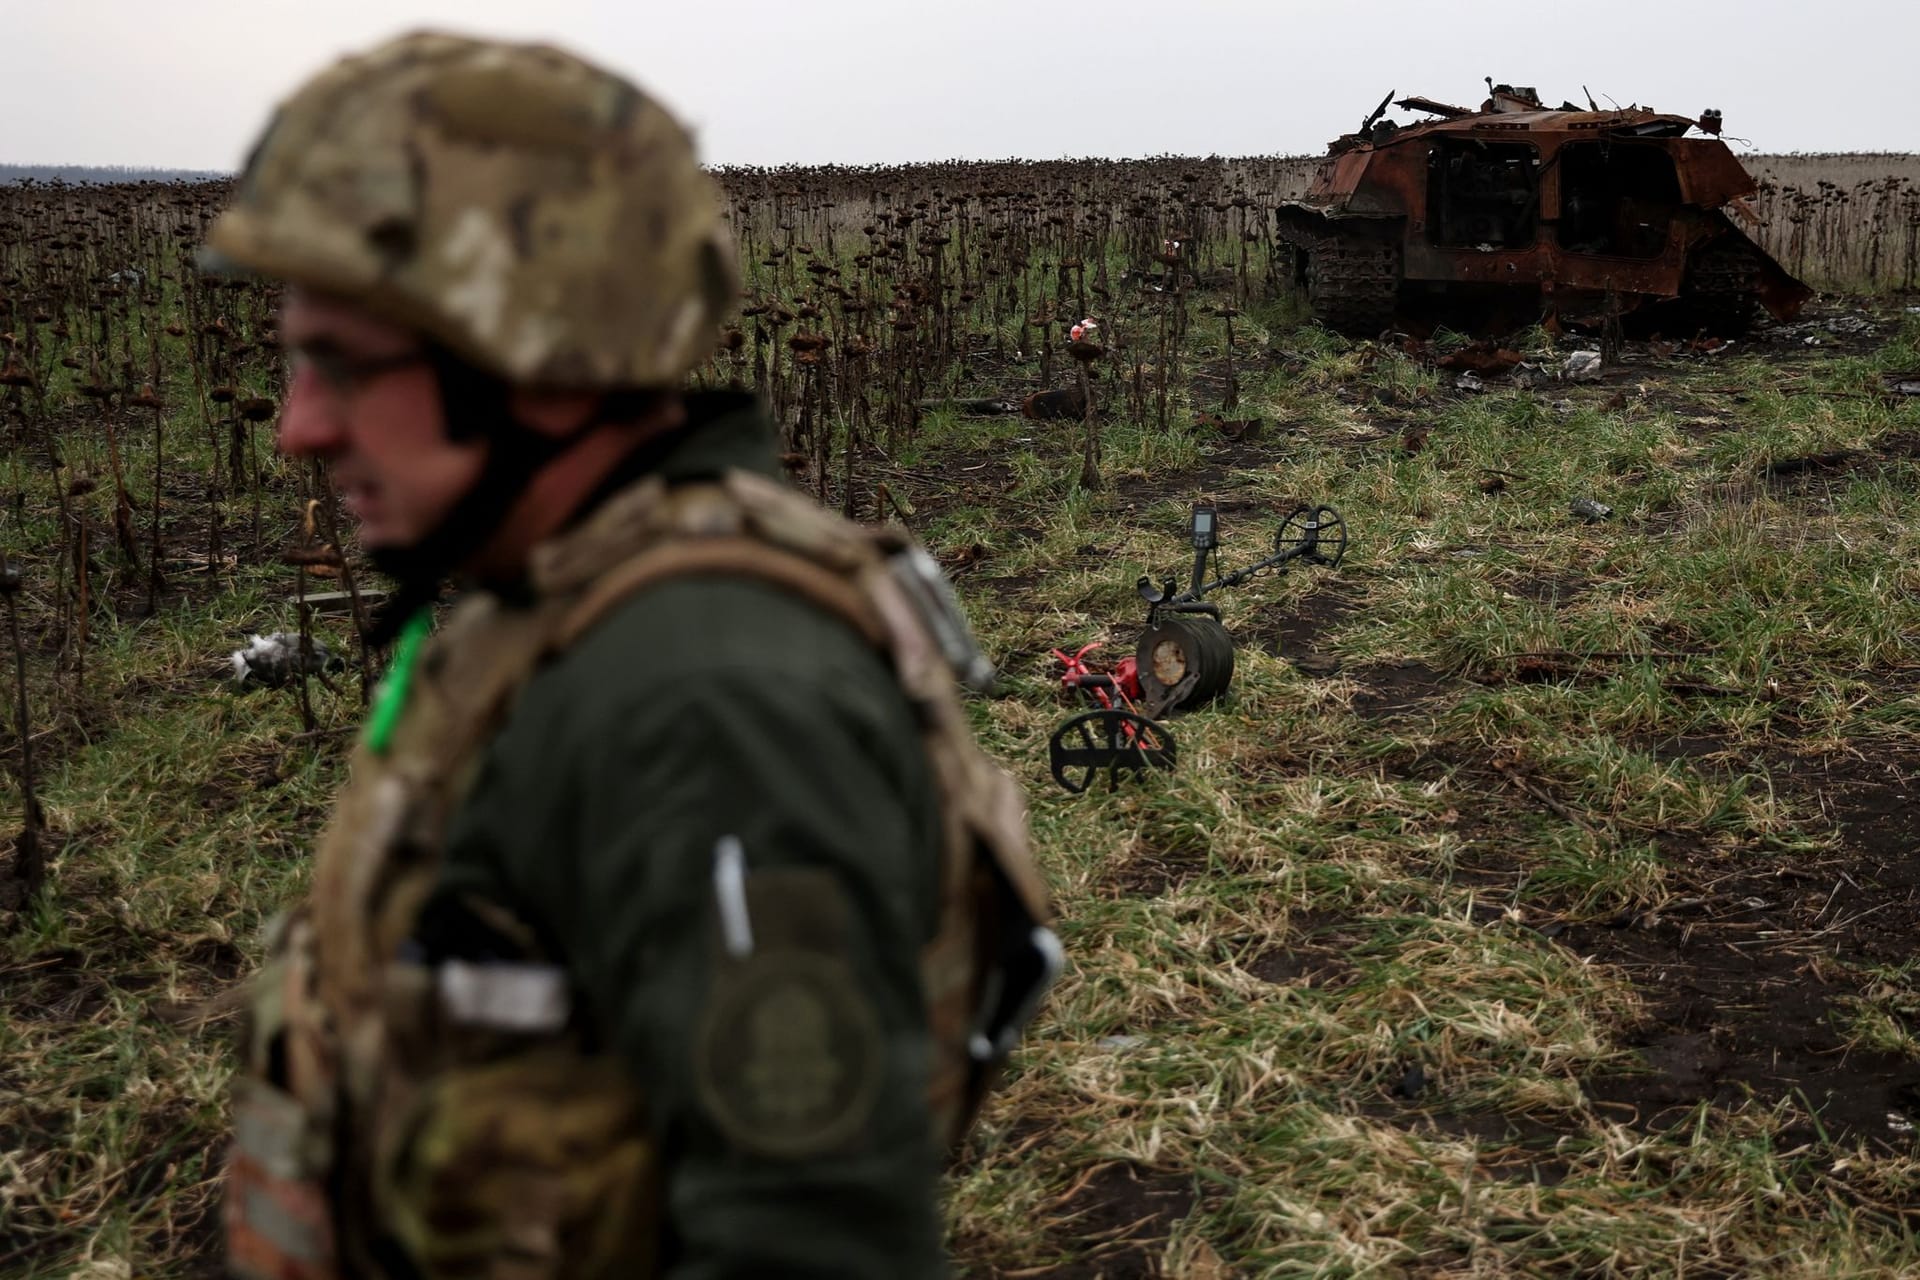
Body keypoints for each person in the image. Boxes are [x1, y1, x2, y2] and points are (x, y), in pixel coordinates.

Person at [202, 29, 1057, 1280]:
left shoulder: (715, 705)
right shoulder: (550, 596)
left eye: (341, 362)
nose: (298, 428)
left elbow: (811, 1237)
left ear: (534, 361)